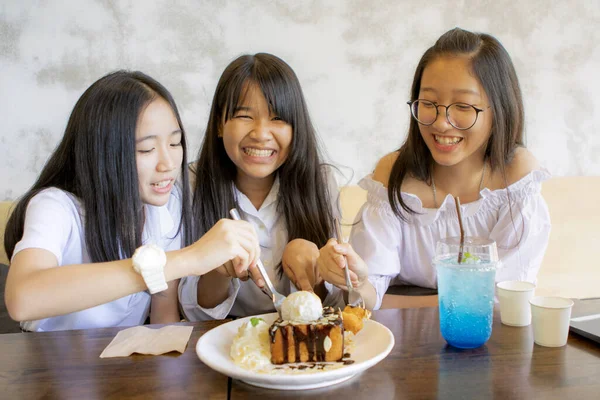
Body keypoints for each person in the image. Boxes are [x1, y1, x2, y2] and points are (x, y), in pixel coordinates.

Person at [4, 71, 261, 331]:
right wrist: (188, 259)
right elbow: (22, 299)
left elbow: (163, 325)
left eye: (175, 143)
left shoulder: (165, 210)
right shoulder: (56, 207)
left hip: (124, 368)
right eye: (146, 149)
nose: (169, 164)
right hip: (50, 367)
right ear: (103, 152)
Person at [317, 28, 552, 310]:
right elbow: (367, 301)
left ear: (499, 109)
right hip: (403, 346)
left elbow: (502, 302)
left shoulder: (516, 179)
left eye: (463, 106)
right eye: (428, 103)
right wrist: (356, 280)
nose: (441, 122)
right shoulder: (392, 175)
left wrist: (397, 302)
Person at [179, 53, 344, 320]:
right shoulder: (191, 185)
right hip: (223, 341)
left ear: (296, 128)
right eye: (244, 115)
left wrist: (313, 274)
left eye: (277, 118)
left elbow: (335, 304)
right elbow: (193, 314)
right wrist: (217, 270)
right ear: (220, 125)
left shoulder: (320, 182)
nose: (260, 133)